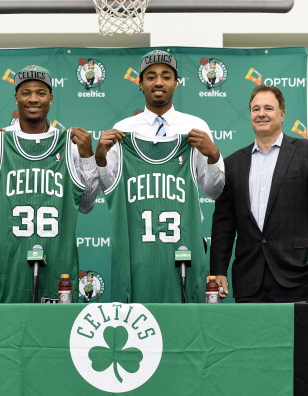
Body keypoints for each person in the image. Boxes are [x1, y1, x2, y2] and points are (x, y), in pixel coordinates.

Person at [0, 65, 99, 303]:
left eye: (41, 93)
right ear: (16, 98)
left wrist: (87, 158)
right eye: (26, 92)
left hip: (58, 259)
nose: (33, 98)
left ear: (51, 98)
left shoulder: (71, 144)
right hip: (6, 260)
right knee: (4, 332)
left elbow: (86, 205)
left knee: (54, 333)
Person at [95, 50, 225, 303]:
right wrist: (99, 158)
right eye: (151, 76)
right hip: (137, 245)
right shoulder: (123, 130)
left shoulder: (195, 127)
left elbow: (214, 191)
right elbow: (109, 187)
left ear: (176, 83)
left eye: (166, 76)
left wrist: (213, 156)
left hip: (184, 243)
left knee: (187, 317)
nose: (158, 82)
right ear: (140, 83)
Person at [210, 85, 308, 303]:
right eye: (255, 109)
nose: (261, 114)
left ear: (282, 114)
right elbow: (224, 223)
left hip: (298, 273)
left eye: (268, 108)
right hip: (249, 278)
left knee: (301, 338)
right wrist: (218, 271)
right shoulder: (232, 164)